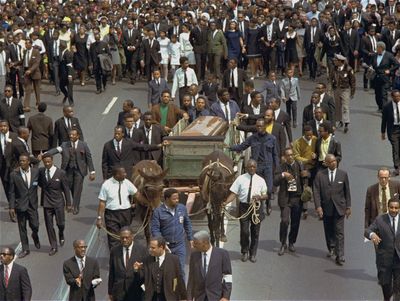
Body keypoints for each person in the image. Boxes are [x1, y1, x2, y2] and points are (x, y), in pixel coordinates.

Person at [224, 160, 268, 262]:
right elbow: (234, 193)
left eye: (253, 167)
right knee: (244, 231)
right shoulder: (240, 179)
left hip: (256, 208)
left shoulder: (261, 180)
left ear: (256, 168)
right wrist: (225, 203)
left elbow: (266, 195)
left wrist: (260, 197)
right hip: (244, 208)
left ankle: (253, 254)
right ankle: (244, 251)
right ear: (247, 168)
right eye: (250, 167)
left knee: (255, 232)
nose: (252, 168)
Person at [44, 128, 95, 215]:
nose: (71, 136)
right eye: (70, 135)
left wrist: (92, 171)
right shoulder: (64, 145)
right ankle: (71, 202)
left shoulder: (83, 145)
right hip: (68, 170)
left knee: (77, 188)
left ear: (78, 136)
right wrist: (45, 154)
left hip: (80, 170)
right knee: (69, 187)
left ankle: (75, 206)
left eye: (73, 135)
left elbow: (89, 158)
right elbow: (56, 150)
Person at [313, 154, 351, 266]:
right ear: (326, 163)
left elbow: (347, 192)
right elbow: (316, 192)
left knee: (339, 232)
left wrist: (348, 206)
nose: (334, 163)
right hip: (326, 208)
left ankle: (340, 255)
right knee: (329, 229)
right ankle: (331, 247)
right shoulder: (320, 175)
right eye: (331, 161)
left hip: (340, 207)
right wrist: (318, 207)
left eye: (335, 161)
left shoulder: (343, 174)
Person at [230, 118, 280, 203]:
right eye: (257, 126)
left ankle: (268, 203)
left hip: (268, 166)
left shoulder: (272, 139)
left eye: (261, 126)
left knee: (269, 188)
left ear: (265, 126)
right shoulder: (252, 138)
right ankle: (257, 206)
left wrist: (277, 167)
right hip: (256, 166)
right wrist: (230, 147)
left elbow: (275, 154)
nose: (259, 128)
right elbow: (242, 146)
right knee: (256, 188)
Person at [96, 167, 144, 250]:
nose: (125, 174)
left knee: (126, 237)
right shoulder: (106, 185)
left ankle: (126, 257)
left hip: (126, 214)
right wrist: (99, 218)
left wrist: (147, 203)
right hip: (111, 215)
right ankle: (115, 260)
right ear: (117, 175)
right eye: (123, 173)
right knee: (113, 240)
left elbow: (137, 194)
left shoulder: (127, 182)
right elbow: (102, 202)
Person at [151, 188, 193, 277]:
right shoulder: (158, 212)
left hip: (179, 245)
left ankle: (181, 290)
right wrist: (162, 244)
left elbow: (187, 223)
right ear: (166, 199)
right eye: (174, 199)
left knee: (180, 270)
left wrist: (190, 239)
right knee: (165, 270)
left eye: (178, 198)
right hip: (165, 247)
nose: (177, 200)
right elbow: (155, 229)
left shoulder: (182, 208)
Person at [274, 148, 309, 256]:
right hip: (285, 198)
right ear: (284, 157)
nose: (290, 157)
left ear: (294, 155)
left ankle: (291, 242)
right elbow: (275, 181)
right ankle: (283, 243)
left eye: (291, 155)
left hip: (297, 198)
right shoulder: (281, 167)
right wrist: (283, 175)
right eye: (287, 155)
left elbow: (308, 178)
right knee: (284, 221)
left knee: (295, 222)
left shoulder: (300, 165)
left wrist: (306, 174)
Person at [365, 197, 400, 301]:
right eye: (391, 207)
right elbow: (367, 231)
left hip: (398, 260)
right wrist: (372, 235)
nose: (394, 210)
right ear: (388, 207)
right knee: (386, 287)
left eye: (396, 208)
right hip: (384, 260)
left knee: (398, 289)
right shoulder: (380, 220)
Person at [39, 154, 72, 256]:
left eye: (49, 162)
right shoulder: (41, 172)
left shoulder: (61, 173)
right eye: (45, 162)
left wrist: (69, 203)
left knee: (60, 223)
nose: (47, 164)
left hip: (58, 202)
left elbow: (66, 189)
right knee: (49, 225)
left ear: (52, 160)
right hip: (47, 202)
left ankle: (61, 233)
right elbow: (40, 183)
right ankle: (53, 246)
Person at [8, 154, 40, 258]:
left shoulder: (36, 172)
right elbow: (11, 192)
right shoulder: (14, 174)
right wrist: (12, 207)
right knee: (22, 228)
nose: (21, 162)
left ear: (29, 162)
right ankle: (26, 249)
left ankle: (35, 235)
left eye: (24, 161)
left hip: (32, 205)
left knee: (35, 225)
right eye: (20, 161)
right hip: (20, 205)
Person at [187, 230, 232, 301]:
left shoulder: (222, 254)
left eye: (196, 243)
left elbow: (227, 276)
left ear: (205, 243)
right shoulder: (194, 255)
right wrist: (189, 298)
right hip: (199, 297)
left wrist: (226, 296)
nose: (193, 246)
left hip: (216, 296)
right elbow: (191, 279)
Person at [141, 236, 187, 301]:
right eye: (150, 247)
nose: (150, 250)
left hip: (168, 297)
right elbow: (142, 278)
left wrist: (183, 297)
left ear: (161, 247)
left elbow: (179, 278)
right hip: (152, 297)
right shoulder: (147, 260)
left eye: (153, 248)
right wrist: (136, 270)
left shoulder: (174, 259)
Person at [108, 227, 147, 301]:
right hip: (119, 292)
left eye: (127, 237)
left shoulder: (142, 250)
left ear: (132, 237)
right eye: (122, 238)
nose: (124, 240)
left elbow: (146, 271)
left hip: (135, 291)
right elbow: (112, 272)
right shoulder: (114, 251)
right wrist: (110, 292)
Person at [330, 54, 356, 133]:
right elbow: (331, 79)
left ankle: (346, 123)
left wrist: (352, 92)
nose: (334, 62)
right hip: (336, 89)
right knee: (337, 106)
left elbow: (353, 81)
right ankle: (339, 120)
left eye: (336, 61)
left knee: (345, 106)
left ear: (340, 61)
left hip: (345, 90)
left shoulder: (348, 69)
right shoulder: (334, 69)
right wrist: (331, 89)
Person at [372, 41, 400, 112]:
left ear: (381, 48)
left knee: (383, 94)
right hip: (376, 77)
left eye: (377, 48)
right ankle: (380, 107)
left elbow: (397, 64)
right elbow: (372, 64)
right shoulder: (374, 55)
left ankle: (384, 110)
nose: (376, 49)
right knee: (377, 94)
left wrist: (390, 70)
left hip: (385, 78)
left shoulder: (389, 55)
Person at [0, 120, 17, 206]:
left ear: (8, 127)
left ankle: (15, 201)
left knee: (12, 183)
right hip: (2, 165)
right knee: (5, 183)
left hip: (12, 164)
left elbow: (20, 150)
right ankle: (11, 202)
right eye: (1, 126)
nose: (3, 128)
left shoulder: (14, 136)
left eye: (4, 126)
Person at [22, 39, 41, 112]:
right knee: (27, 89)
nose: (26, 45)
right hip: (27, 73)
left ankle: (38, 103)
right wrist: (15, 63)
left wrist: (31, 70)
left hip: (35, 72)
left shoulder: (36, 52)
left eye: (27, 43)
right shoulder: (25, 52)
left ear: (31, 44)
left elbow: (37, 63)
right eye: (25, 43)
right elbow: (23, 61)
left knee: (37, 90)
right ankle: (26, 106)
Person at [122, 19, 141, 85]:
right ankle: (131, 75)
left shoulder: (137, 32)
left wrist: (134, 47)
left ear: (133, 24)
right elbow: (122, 41)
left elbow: (139, 41)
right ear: (127, 25)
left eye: (131, 24)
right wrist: (127, 47)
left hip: (135, 50)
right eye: (128, 24)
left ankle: (133, 78)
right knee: (129, 63)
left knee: (133, 63)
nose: (130, 25)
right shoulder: (124, 32)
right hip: (127, 50)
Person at [59, 40, 75, 105]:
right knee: (61, 86)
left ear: (62, 46)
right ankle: (66, 95)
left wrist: (70, 75)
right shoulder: (63, 52)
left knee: (69, 88)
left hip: (68, 74)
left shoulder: (67, 53)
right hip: (63, 74)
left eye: (60, 46)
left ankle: (71, 102)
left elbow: (69, 64)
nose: (59, 47)